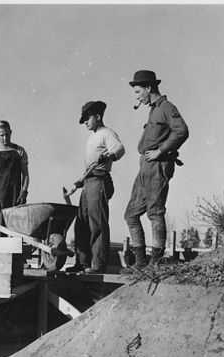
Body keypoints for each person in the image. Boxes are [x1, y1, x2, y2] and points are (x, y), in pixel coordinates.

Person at [122, 70, 189, 273]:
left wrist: (161, 151)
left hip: (158, 165)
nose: (137, 96)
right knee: (131, 214)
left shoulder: (166, 108)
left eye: (138, 91)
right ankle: (141, 262)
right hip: (146, 166)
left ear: (148, 88)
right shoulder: (153, 110)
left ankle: (156, 262)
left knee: (155, 212)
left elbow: (182, 131)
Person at [67, 101, 125, 274]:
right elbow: (89, 166)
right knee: (81, 224)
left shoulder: (107, 133)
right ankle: (82, 263)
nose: (85, 122)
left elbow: (120, 149)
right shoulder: (91, 137)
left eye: (87, 118)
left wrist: (111, 155)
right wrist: (79, 182)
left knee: (97, 223)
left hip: (99, 181)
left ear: (98, 117)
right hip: (87, 182)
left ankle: (98, 265)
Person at [0, 120, 29, 223]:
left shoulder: (20, 151)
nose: (5, 138)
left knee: (16, 226)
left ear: (11, 132)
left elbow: (25, 175)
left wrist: (24, 192)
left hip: (16, 195)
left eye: (7, 134)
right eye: (1, 135)